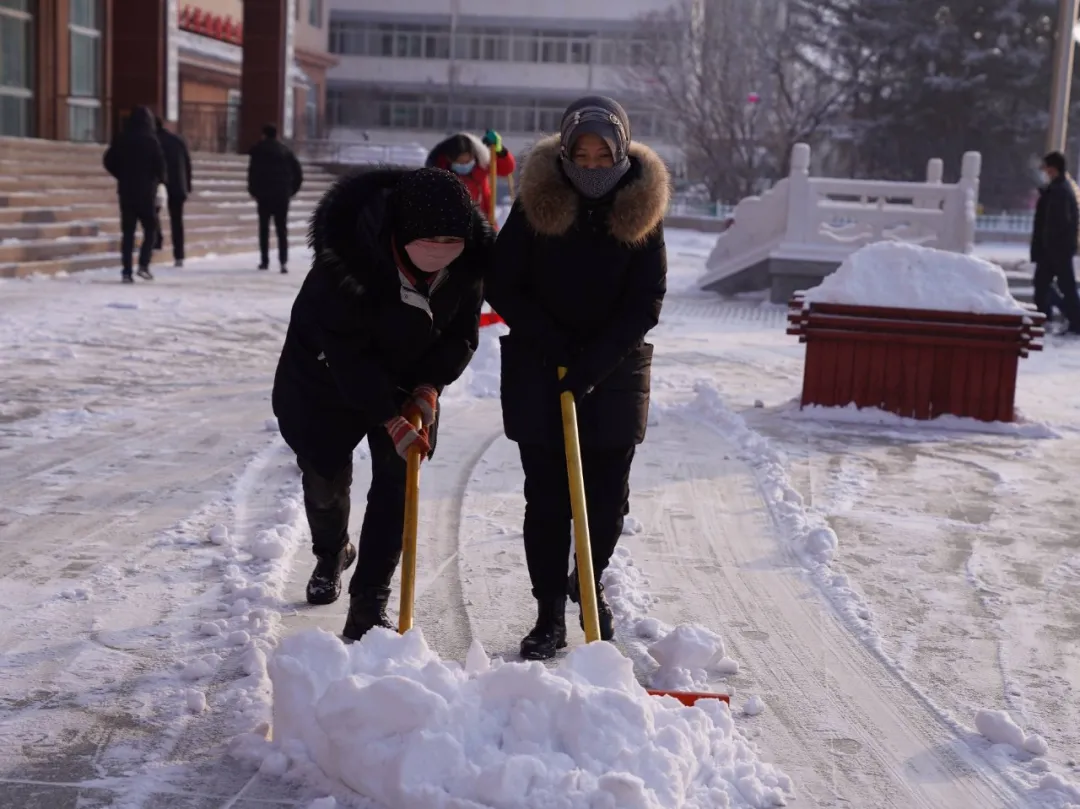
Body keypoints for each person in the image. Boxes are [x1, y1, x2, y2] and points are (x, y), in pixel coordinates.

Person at [271, 167, 493, 641]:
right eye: (428, 239)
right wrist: (386, 416)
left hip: (407, 378)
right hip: (325, 377)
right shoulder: (345, 265)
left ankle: (368, 606)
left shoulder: (469, 261)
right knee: (324, 475)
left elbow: (461, 334)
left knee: (398, 482)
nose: (440, 250)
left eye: (451, 239)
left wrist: (430, 385)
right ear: (399, 233)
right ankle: (332, 551)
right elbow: (347, 354)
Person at [486, 96, 669, 660]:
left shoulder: (640, 209)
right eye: (581, 154)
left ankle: (589, 586)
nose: (591, 166)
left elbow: (647, 299)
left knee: (607, 499)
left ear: (620, 152)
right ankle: (547, 615)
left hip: (613, 372)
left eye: (602, 154)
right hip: (541, 367)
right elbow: (502, 282)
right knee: (546, 500)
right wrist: (554, 345)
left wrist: (593, 362)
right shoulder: (537, 202)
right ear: (565, 152)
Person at [103, 105, 167, 283]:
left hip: (126, 191)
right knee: (151, 228)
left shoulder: (121, 138)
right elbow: (160, 166)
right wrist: (160, 181)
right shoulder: (151, 140)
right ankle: (143, 265)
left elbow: (108, 160)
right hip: (147, 192)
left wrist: (121, 175)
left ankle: (126, 271)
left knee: (128, 232)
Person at [1031, 151, 1080, 335]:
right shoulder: (1058, 189)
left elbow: (1057, 223)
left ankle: (1069, 319)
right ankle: (1048, 318)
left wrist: (1049, 247)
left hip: (1055, 249)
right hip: (1053, 248)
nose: (1044, 171)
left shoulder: (1060, 191)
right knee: (1045, 284)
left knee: (1058, 285)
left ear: (1053, 168)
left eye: (1046, 167)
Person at [247, 123, 303, 273]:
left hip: (264, 195)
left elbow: (252, 173)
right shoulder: (286, 151)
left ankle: (264, 261)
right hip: (282, 195)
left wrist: (253, 191)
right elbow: (298, 173)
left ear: (264, 135)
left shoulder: (258, 151)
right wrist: (291, 191)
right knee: (281, 229)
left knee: (264, 229)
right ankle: (283, 262)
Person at [426, 130, 515, 218]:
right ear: (449, 160)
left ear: (474, 156)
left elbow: (506, 169)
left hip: (484, 219)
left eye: (467, 161)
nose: (464, 165)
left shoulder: (481, 164)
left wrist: (500, 151)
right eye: (460, 163)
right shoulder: (439, 175)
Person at [156, 116, 193, 267]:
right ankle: (179, 254)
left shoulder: (154, 141)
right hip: (179, 185)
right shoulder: (178, 140)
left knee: (153, 214)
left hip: (160, 184)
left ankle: (156, 241)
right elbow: (187, 163)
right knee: (177, 221)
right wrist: (188, 184)